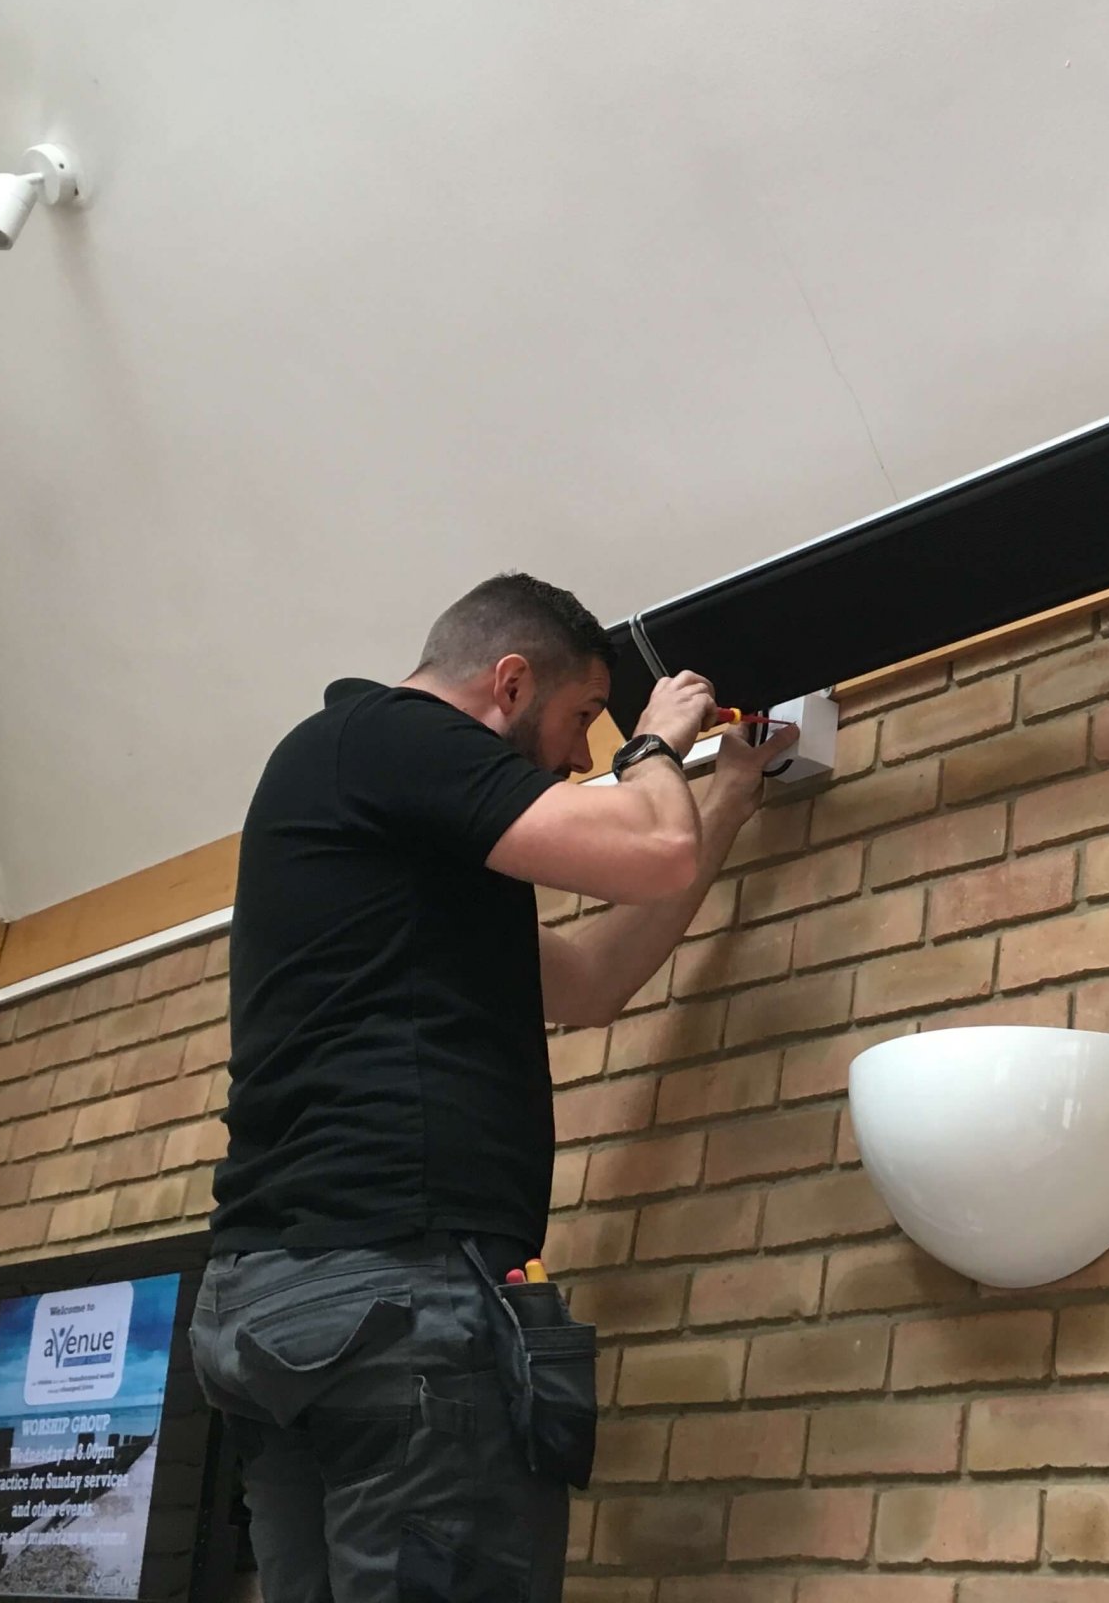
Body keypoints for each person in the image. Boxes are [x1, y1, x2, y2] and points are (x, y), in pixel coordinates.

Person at [186, 572, 794, 1602]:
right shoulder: (391, 734)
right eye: (582, 718)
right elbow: (652, 846)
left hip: (282, 1304)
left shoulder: (392, 836)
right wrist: (654, 744)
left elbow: (591, 983)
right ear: (509, 684)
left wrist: (730, 790)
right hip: (391, 1280)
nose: (581, 758)